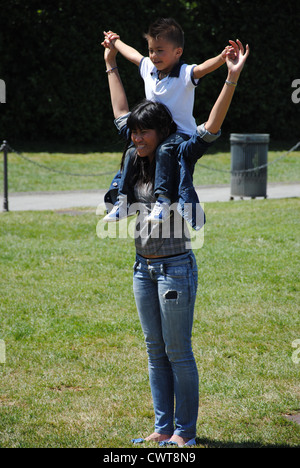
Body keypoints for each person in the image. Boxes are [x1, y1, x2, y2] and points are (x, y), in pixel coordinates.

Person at [102, 37, 249, 447]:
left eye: (144, 132)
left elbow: (211, 128)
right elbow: (119, 111)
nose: (136, 138)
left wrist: (231, 79)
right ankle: (162, 427)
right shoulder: (134, 158)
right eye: (134, 132)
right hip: (142, 268)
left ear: (162, 131)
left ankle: (185, 433)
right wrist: (111, 63)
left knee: (178, 353)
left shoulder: (178, 152)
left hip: (175, 268)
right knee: (155, 352)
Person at [102, 18, 235, 223]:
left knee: (164, 150)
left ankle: (163, 201)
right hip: (154, 129)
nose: (154, 56)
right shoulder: (149, 68)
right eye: (152, 50)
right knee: (130, 150)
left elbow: (203, 69)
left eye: (160, 50)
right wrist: (115, 42)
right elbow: (133, 56)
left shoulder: (184, 74)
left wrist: (222, 57)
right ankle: (123, 201)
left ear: (178, 52)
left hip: (180, 134)